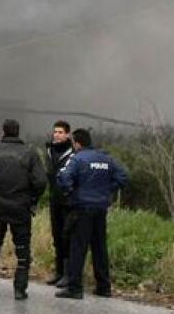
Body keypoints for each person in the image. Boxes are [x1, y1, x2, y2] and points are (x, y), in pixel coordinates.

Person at [0, 119, 47, 301]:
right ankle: (20, 290)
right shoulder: (30, 153)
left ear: (3, 131)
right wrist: (32, 198)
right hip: (21, 207)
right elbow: (41, 181)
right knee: (22, 250)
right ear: (18, 132)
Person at [55, 128, 128, 300]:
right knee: (99, 247)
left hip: (82, 208)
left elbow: (64, 178)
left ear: (77, 143)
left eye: (73, 143)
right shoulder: (106, 158)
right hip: (100, 209)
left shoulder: (77, 159)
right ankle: (104, 286)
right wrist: (108, 192)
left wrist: (72, 193)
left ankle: (74, 288)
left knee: (78, 247)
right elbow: (123, 176)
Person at [45, 120, 74, 286]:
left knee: (67, 237)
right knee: (57, 237)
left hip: (67, 202)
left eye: (60, 132)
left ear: (68, 134)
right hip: (54, 200)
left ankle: (68, 275)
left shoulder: (73, 153)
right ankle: (59, 272)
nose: (57, 135)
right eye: (55, 132)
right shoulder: (49, 150)